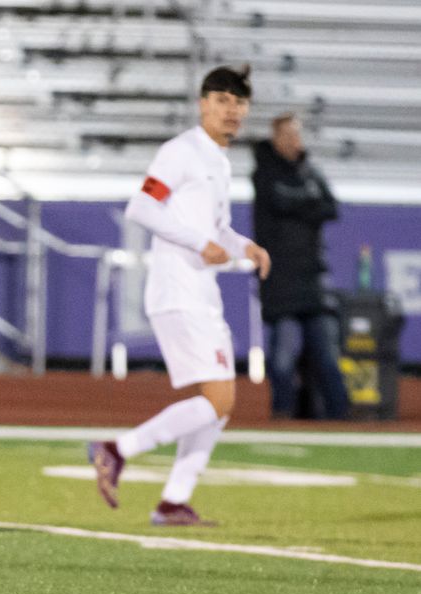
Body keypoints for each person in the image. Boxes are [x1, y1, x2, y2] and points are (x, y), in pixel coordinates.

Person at [88, 65, 271, 526]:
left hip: (201, 292)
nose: (233, 111)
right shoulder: (181, 151)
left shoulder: (218, 161)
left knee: (219, 407)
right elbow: (143, 207)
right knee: (219, 399)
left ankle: (173, 501)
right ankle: (116, 449)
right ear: (203, 103)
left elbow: (217, 228)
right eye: (223, 100)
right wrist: (197, 242)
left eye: (240, 103)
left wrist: (243, 246)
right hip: (178, 288)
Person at [252, 113, 349, 420]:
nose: (294, 142)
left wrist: (302, 203)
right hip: (281, 281)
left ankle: (341, 420)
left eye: (297, 135)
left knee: (328, 358)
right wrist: (309, 204)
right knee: (282, 359)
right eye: (288, 136)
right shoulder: (264, 174)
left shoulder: (312, 172)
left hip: (314, 280)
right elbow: (279, 201)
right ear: (275, 139)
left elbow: (332, 208)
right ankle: (282, 416)